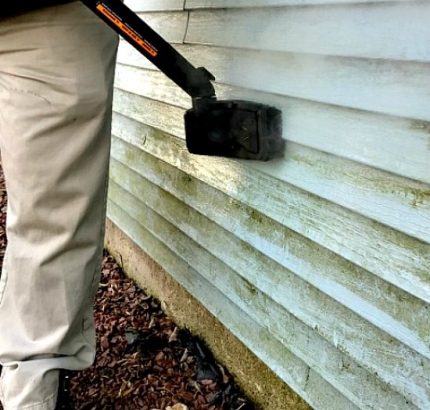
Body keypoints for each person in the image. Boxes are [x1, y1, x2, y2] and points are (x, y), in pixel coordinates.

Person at [0, 1, 119, 409]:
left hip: (46, 17)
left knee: (48, 216)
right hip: (45, 22)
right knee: (50, 220)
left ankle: (30, 391)